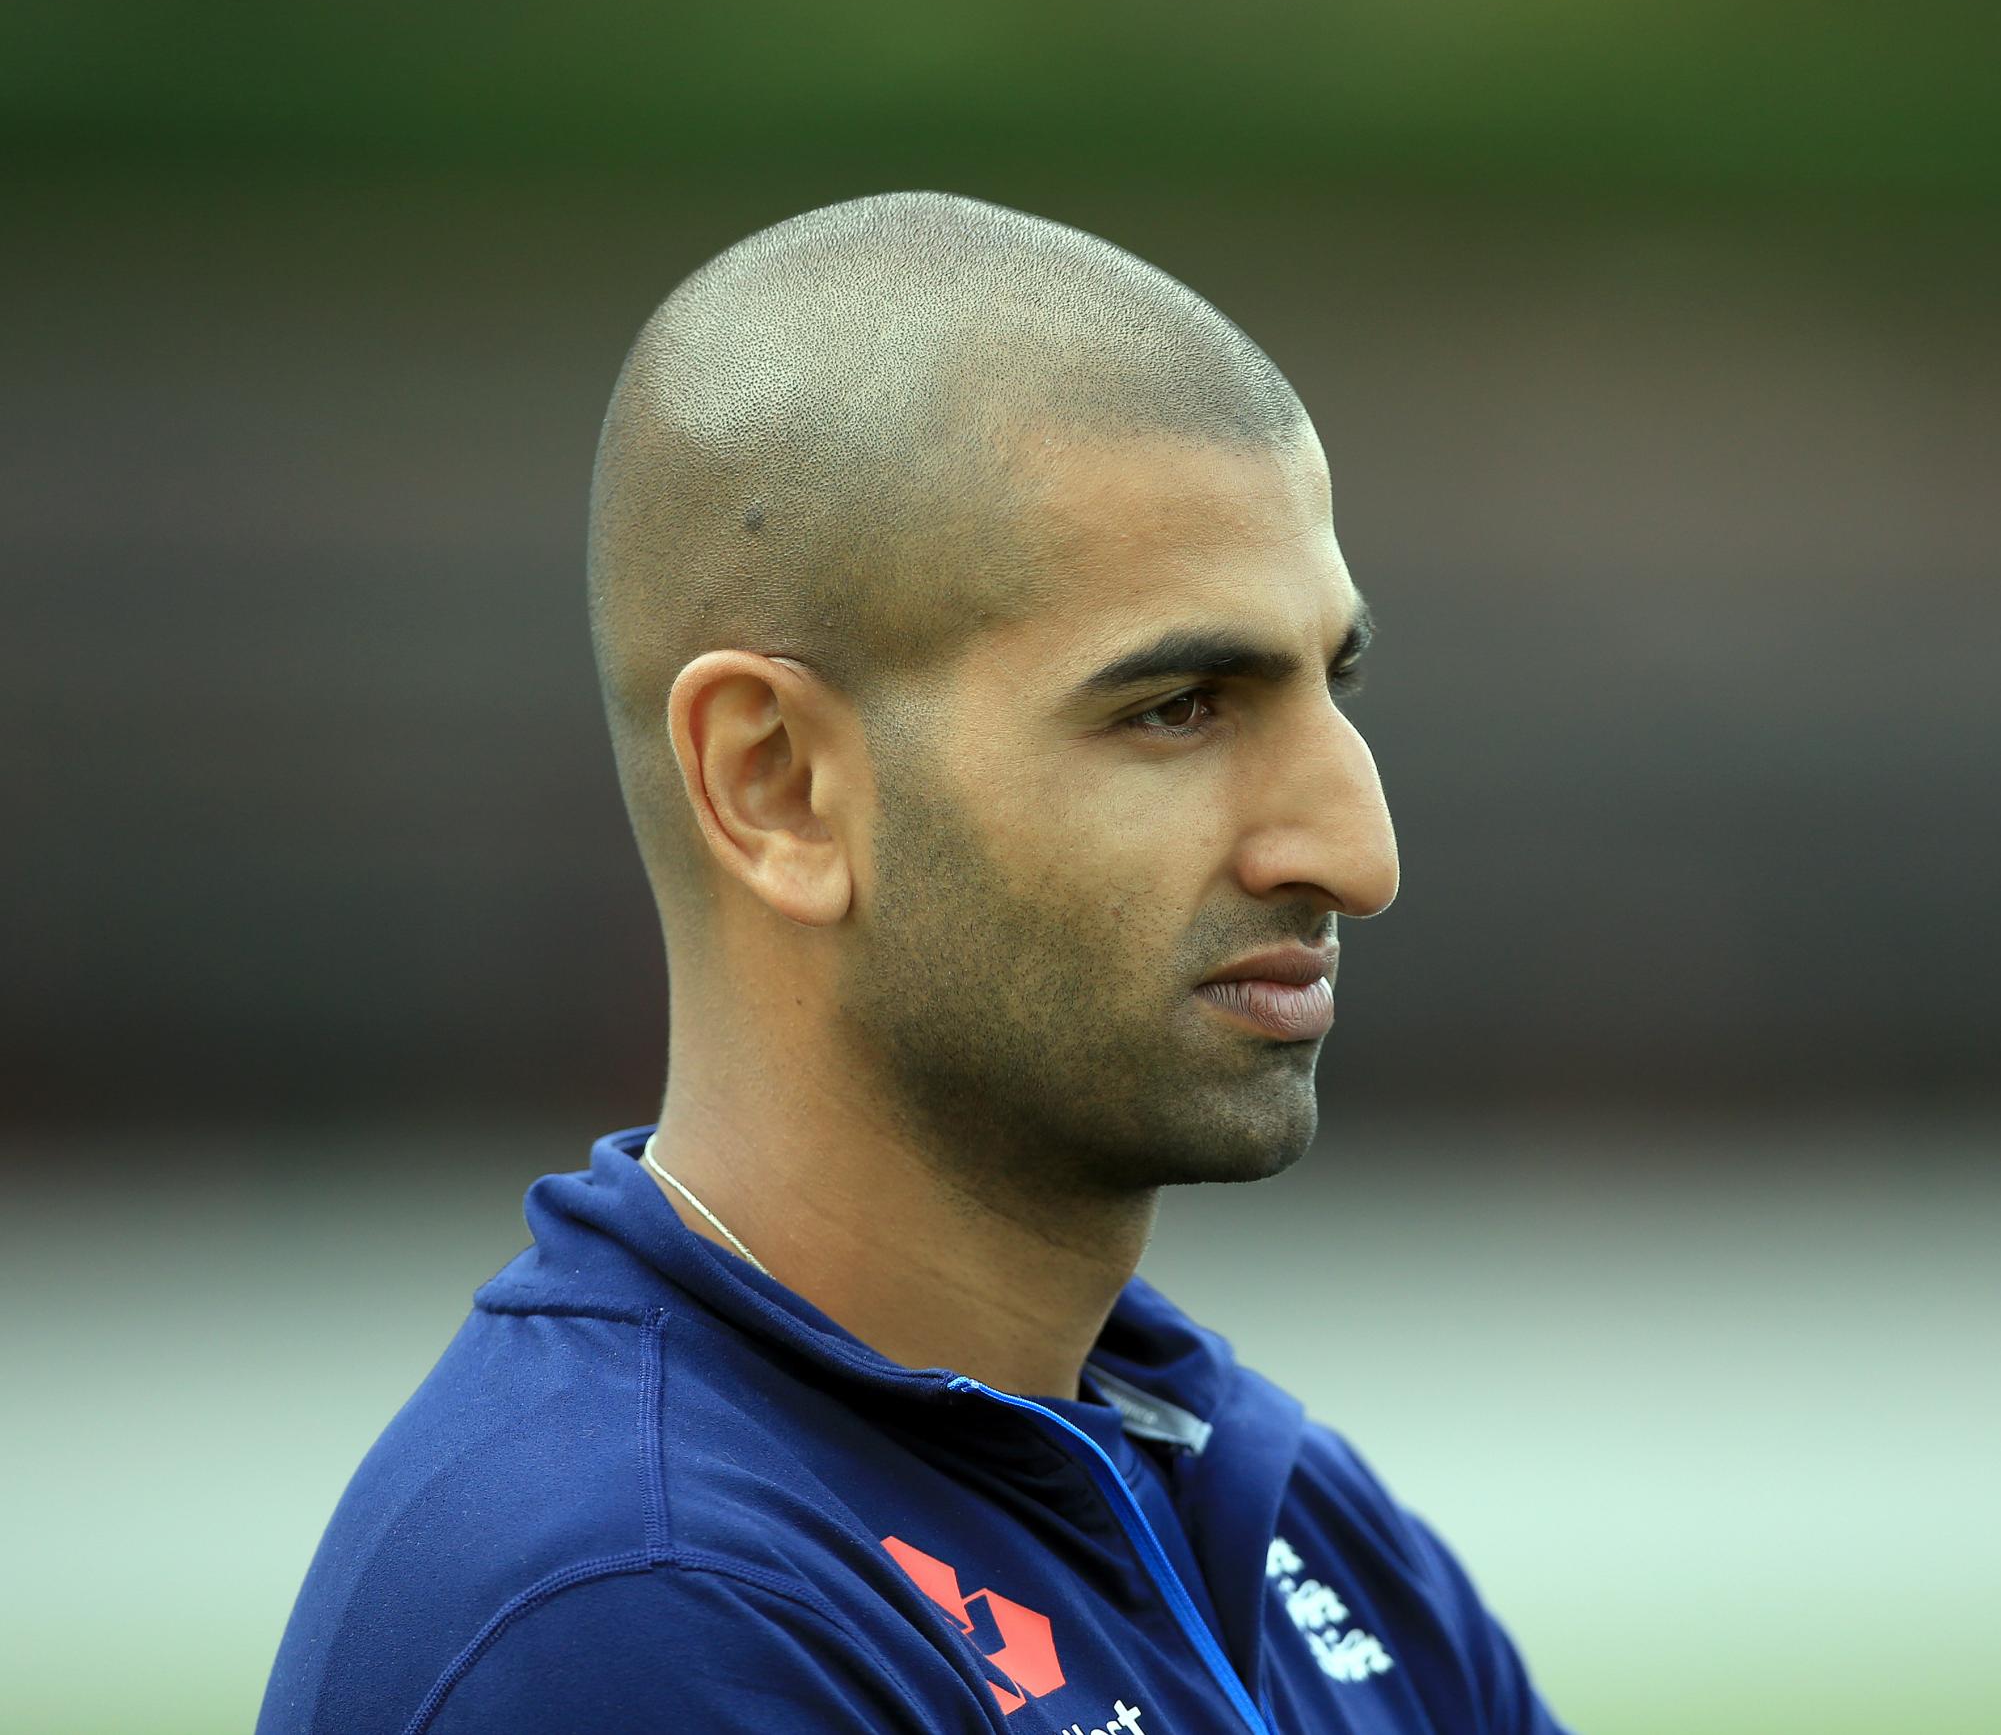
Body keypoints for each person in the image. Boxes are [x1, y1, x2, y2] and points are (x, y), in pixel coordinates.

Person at [258, 192, 1569, 1735]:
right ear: (777, 786)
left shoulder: (1285, 1515)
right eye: (1181, 706)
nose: (1356, 853)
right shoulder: (635, 1621)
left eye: (1329, 684)